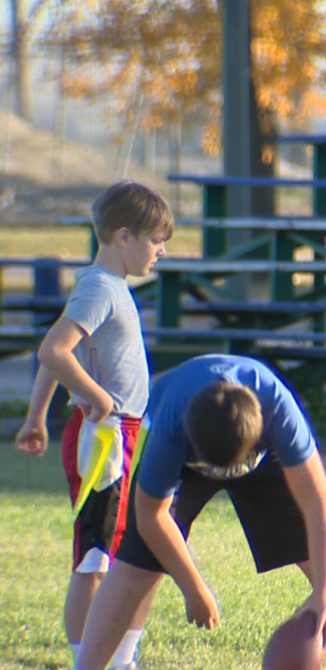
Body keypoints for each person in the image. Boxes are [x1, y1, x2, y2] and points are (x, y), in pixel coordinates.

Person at [72, 355, 326, 670]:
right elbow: (151, 516)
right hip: (189, 454)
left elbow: (317, 503)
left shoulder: (278, 409)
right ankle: (108, 664)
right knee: (137, 561)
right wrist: (193, 588)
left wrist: (324, 592)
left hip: (261, 455)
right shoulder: (171, 429)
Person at [14, 180, 172, 669]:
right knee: (95, 559)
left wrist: (36, 417)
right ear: (124, 236)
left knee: (132, 555)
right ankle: (87, 661)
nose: (161, 251)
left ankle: (121, 659)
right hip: (105, 439)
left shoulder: (105, 286)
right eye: (155, 239)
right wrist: (100, 398)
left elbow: (55, 348)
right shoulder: (102, 287)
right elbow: (54, 350)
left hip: (126, 434)